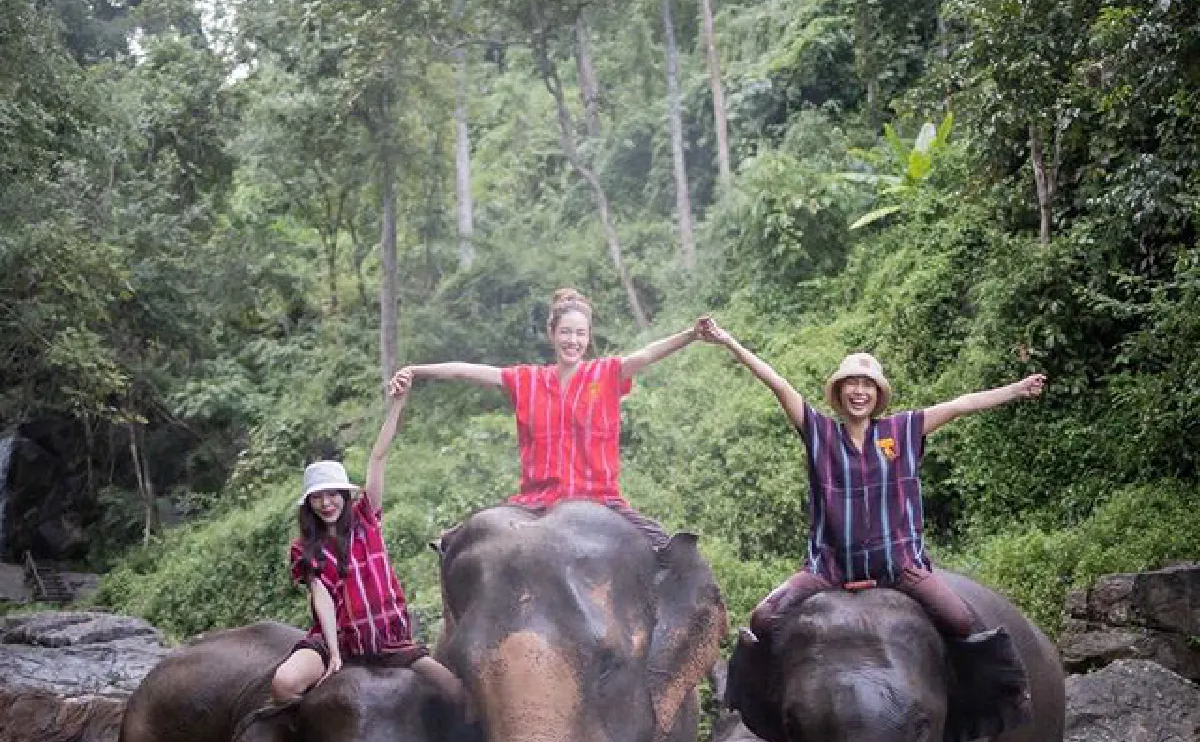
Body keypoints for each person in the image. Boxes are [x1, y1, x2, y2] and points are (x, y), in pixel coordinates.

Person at [695, 319, 1047, 639]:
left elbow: (960, 405)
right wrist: (729, 341)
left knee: (959, 620)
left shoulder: (902, 429)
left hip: (899, 566)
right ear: (839, 392)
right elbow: (777, 384)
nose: (859, 391)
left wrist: (1016, 390)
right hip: (829, 568)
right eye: (852, 384)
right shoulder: (820, 432)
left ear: (877, 395)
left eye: (867, 385)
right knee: (763, 617)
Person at [396, 287, 704, 548]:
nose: (573, 341)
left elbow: (646, 354)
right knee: (457, 543)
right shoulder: (527, 380)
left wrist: (691, 335)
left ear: (588, 337)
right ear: (552, 334)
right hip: (537, 502)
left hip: (600, 498)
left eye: (580, 334)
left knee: (668, 549)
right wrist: (417, 370)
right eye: (566, 332)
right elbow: (465, 371)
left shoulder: (606, 373)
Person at [268, 369, 465, 707]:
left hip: (387, 640)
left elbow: (378, 457)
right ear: (309, 504)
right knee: (283, 684)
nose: (326, 504)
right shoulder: (305, 549)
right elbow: (322, 599)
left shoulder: (366, 519)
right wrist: (333, 654)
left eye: (333, 495)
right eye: (318, 498)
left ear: (345, 496)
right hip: (339, 640)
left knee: (455, 691)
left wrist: (396, 405)